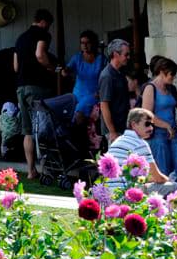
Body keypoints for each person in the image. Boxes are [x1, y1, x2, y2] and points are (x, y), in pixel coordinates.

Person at [13, 9, 55, 179]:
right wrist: (51, 67)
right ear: (44, 22)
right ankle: (47, 169)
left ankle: (31, 171)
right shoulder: (43, 34)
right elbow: (40, 54)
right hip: (38, 86)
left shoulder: (20, 38)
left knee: (27, 130)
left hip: (21, 87)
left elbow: (15, 67)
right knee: (43, 127)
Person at [105, 108, 177, 196]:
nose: (151, 128)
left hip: (110, 194)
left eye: (152, 125)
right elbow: (158, 178)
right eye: (147, 124)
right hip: (127, 194)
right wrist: (169, 180)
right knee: (176, 187)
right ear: (133, 124)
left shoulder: (118, 141)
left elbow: (141, 177)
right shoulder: (140, 143)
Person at [142, 57, 177, 183]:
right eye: (172, 74)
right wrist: (165, 125)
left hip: (172, 133)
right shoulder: (150, 88)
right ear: (162, 72)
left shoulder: (171, 88)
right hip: (157, 134)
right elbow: (147, 113)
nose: (174, 77)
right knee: (163, 168)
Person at [62, 30, 107, 125]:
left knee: (79, 113)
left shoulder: (101, 59)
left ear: (94, 43)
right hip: (77, 94)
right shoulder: (77, 58)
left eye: (88, 43)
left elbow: (107, 78)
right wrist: (64, 71)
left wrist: (101, 91)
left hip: (94, 95)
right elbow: (67, 70)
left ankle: (79, 138)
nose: (85, 46)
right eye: (82, 43)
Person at [98, 39, 131, 145]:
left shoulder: (119, 73)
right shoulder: (107, 76)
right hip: (115, 129)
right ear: (116, 54)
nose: (128, 58)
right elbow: (104, 105)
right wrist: (112, 131)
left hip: (122, 125)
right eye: (126, 55)